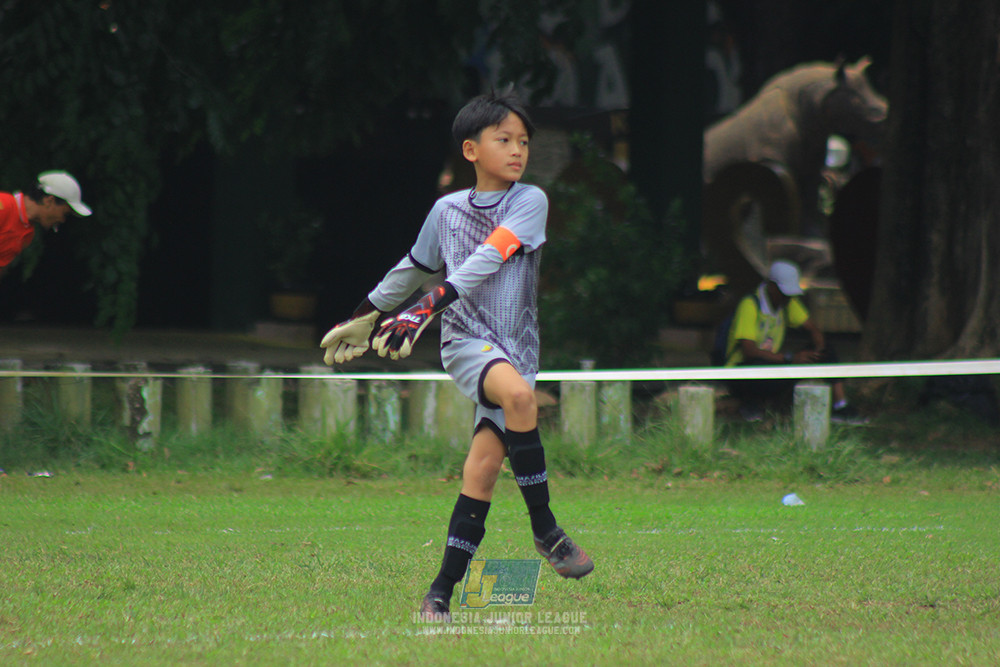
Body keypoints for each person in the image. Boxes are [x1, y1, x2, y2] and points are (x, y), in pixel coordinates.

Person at [319, 90, 593, 621]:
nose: (518, 150)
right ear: (471, 150)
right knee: (519, 396)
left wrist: (422, 309)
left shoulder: (530, 201)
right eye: (504, 139)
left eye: (524, 141)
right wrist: (365, 313)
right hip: (467, 343)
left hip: (518, 348)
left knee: (484, 471)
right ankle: (548, 532)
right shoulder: (445, 210)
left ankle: (439, 592)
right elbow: (413, 267)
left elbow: (488, 259)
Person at [722, 260, 867, 424]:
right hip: (742, 373)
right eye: (784, 293)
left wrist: (818, 349)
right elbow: (749, 350)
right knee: (757, 363)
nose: (787, 298)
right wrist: (790, 358)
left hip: (773, 365)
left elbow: (813, 329)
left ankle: (840, 405)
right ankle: (750, 402)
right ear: (771, 286)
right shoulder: (750, 305)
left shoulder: (787, 302)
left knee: (827, 349)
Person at [0, 171, 93, 280]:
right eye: (65, 214)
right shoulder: (4, 205)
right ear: (49, 201)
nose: (63, 220)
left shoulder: (27, 233)